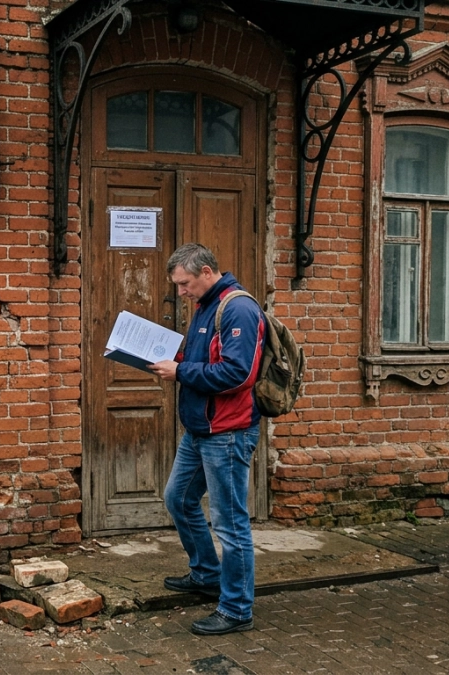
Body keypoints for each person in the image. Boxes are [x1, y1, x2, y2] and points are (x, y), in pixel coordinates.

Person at [148, 243, 265, 636]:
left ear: (207, 272)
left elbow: (238, 373)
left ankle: (236, 609)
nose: (180, 292)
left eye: (185, 284)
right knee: (178, 499)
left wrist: (180, 372)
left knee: (230, 524)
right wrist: (172, 361)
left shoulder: (238, 308)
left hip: (227, 433)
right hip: (200, 429)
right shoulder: (205, 306)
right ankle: (206, 574)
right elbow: (203, 361)